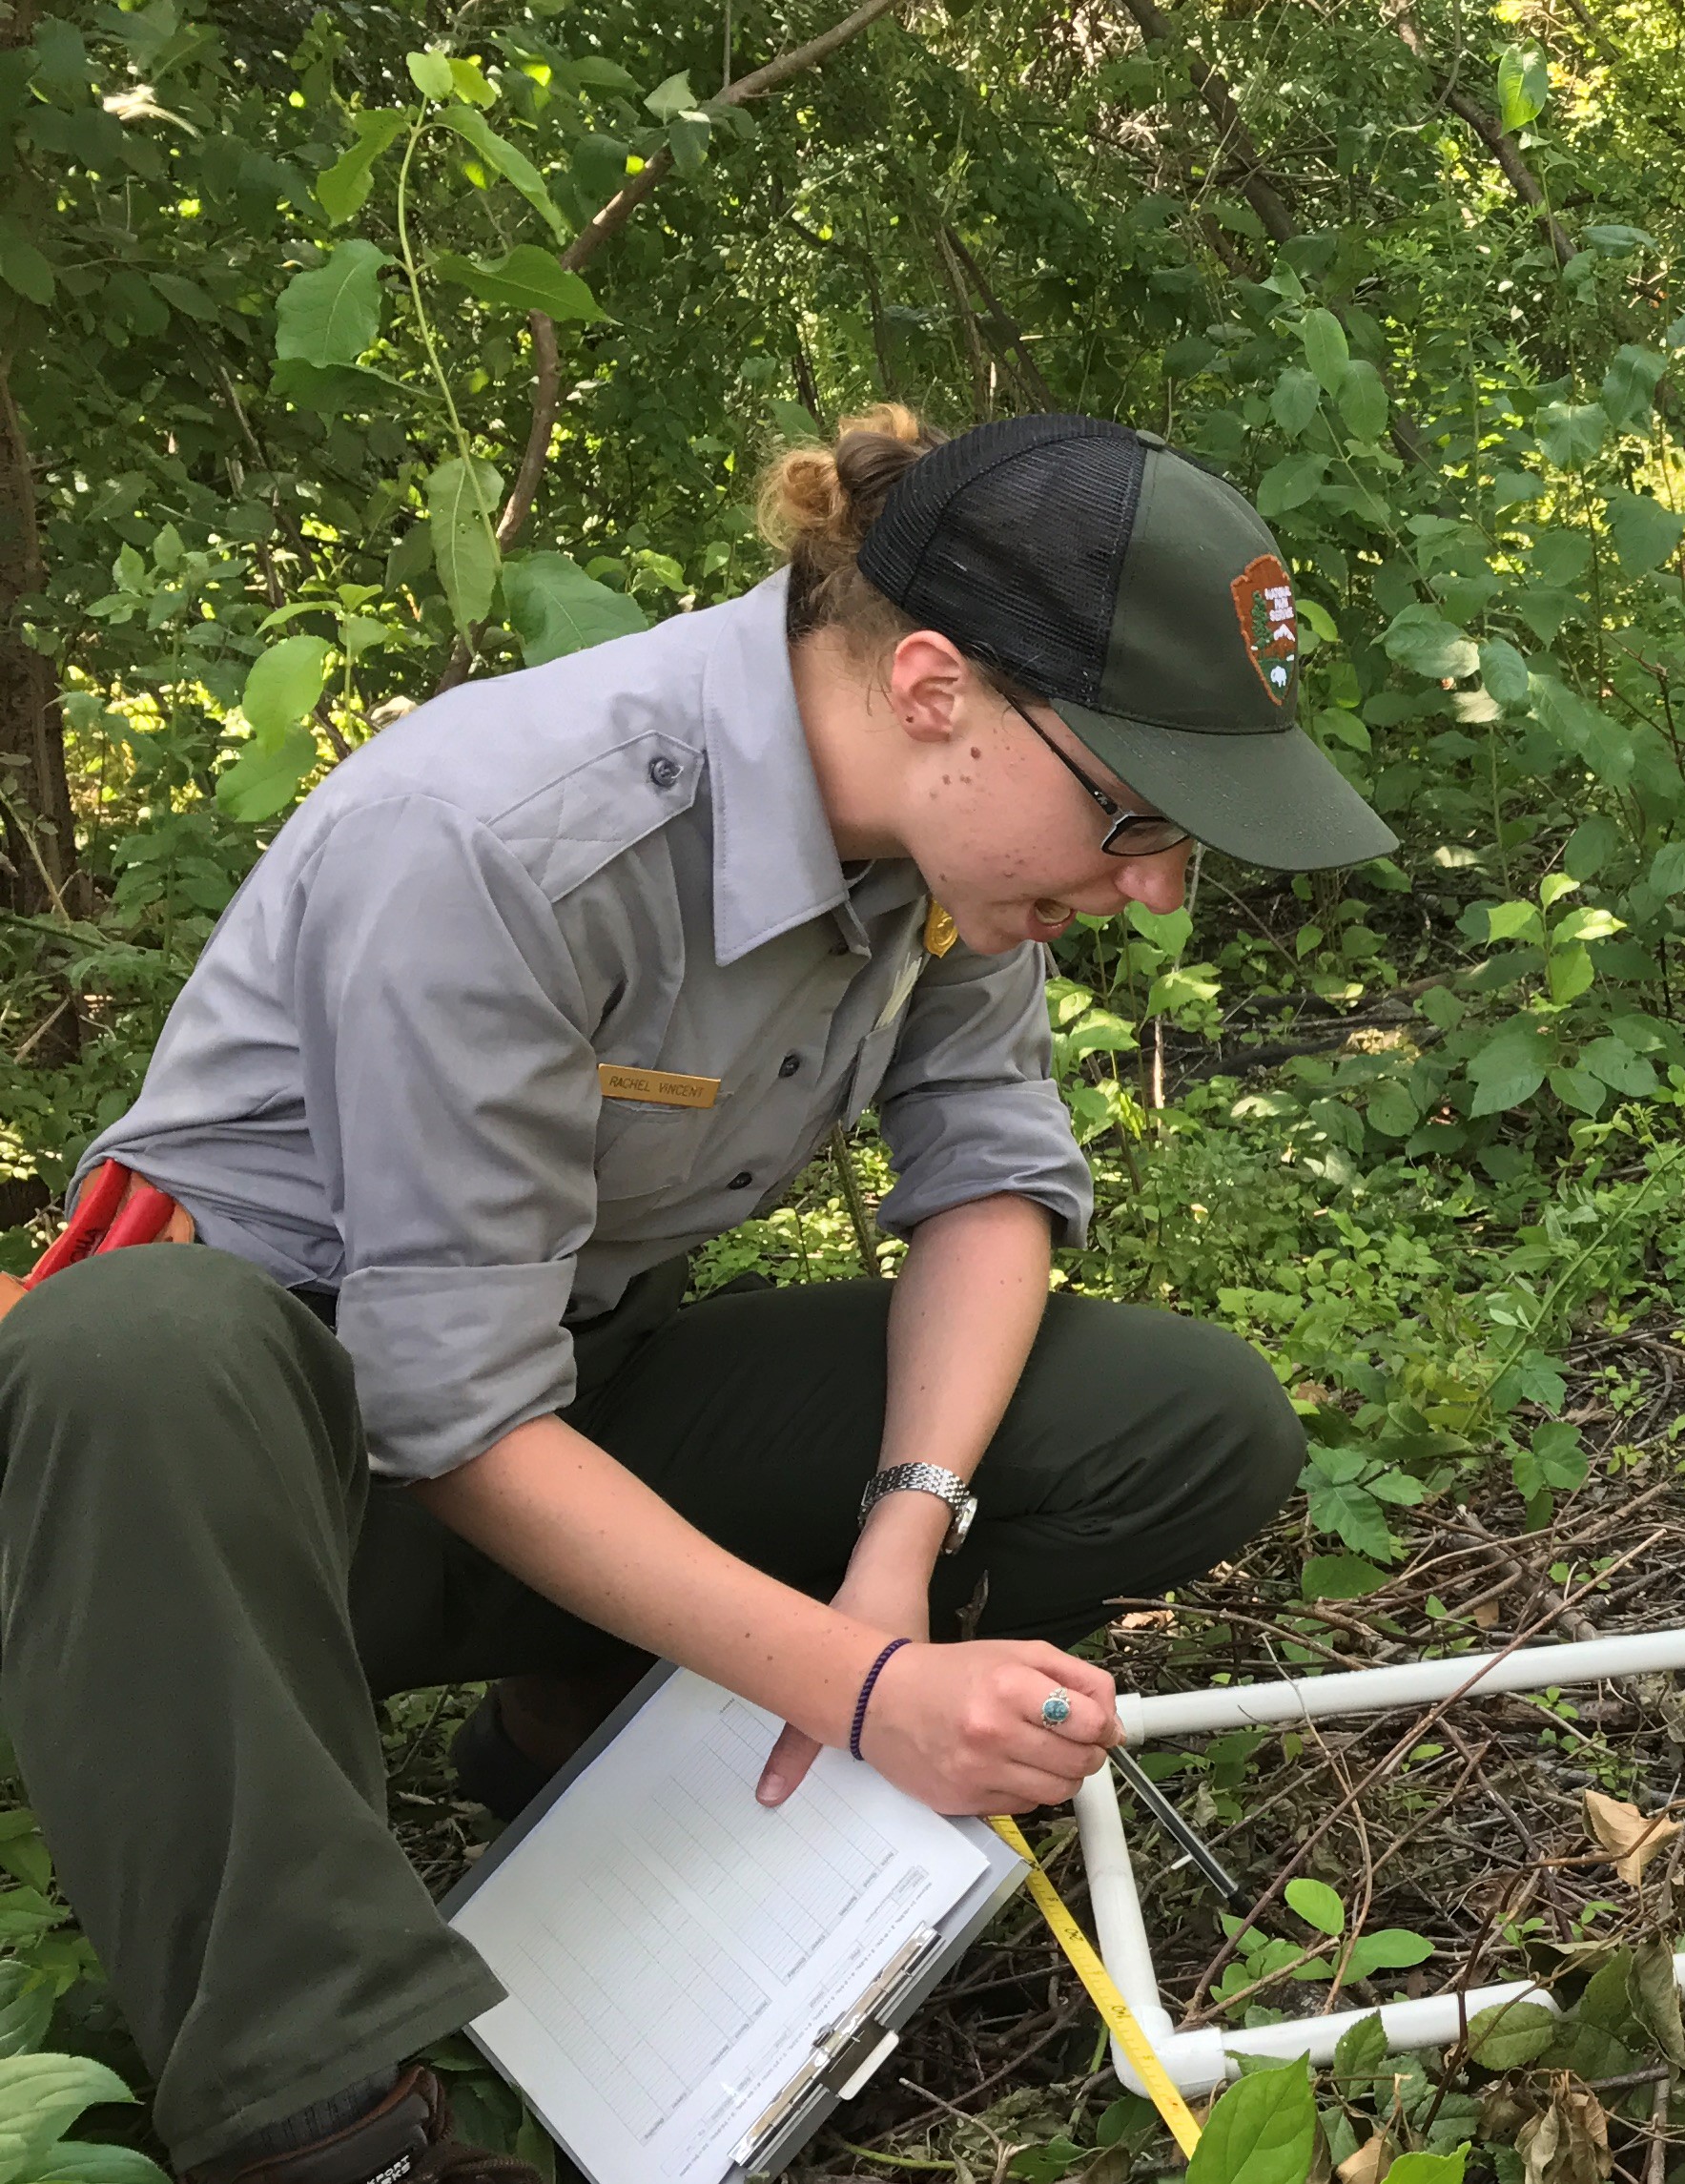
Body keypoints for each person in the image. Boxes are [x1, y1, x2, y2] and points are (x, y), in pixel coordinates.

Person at [0, 407, 1395, 2184]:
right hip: (224, 1526)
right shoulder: (500, 836)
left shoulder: (947, 855)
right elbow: (446, 1403)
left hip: (552, 1416)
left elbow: (984, 1173)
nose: (1152, 885)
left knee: (1178, 1421)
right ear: (932, 684)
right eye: (1135, 811)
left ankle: (589, 1745)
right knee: (134, 1354)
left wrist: (894, 1559)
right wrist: (861, 1681)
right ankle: (328, 2125)